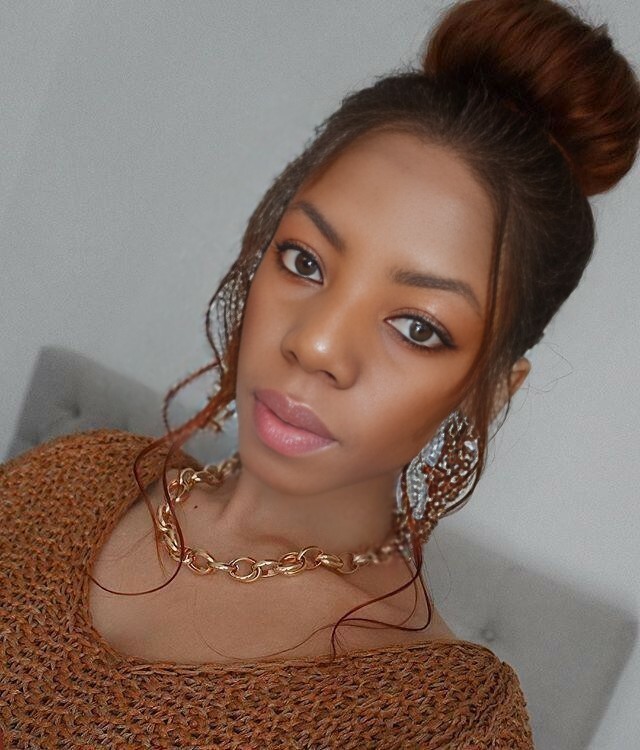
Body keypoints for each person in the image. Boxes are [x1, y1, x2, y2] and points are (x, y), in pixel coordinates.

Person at [2, 0, 639, 747]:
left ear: (490, 391)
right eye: (305, 261)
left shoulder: (447, 723)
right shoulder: (78, 476)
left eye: (418, 327)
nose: (317, 345)